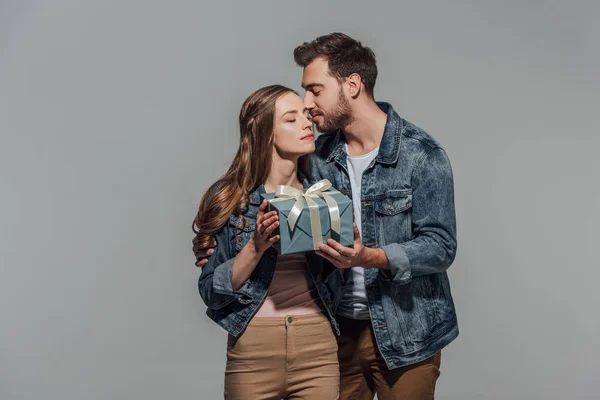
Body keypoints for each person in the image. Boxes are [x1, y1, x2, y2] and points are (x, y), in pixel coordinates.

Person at [195, 33, 459, 399]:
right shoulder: (315, 156)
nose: (308, 104)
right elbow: (264, 186)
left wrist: (371, 257)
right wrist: (223, 242)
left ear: (352, 85)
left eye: (315, 90)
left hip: (406, 334)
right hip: (336, 335)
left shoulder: (421, 155)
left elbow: (441, 246)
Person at [192, 84, 343, 399]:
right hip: (254, 348)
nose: (307, 123)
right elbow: (210, 292)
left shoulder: (325, 194)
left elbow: (342, 272)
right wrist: (256, 246)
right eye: (291, 119)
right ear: (266, 133)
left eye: (305, 115)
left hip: (317, 345)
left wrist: (346, 251)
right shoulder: (231, 199)